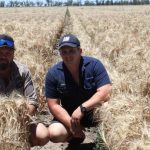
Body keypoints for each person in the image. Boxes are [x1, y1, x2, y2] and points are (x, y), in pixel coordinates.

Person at [45, 34, 111, 144]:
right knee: (55, 133)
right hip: (70, 115)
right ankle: (75, 136)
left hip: (94, 111)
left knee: (109, 107)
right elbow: (53, 105)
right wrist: (72, 125)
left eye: (71, 50)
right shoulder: (53, 73)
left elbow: (106, 91)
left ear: (80, 51)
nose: (68, 55)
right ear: (60, 54)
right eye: (64, 52)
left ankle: (108, 141)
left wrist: (82, 108)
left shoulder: (94, 65)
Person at [0, 34, 49, 147]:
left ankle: (21, 146)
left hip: (21, 119)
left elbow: (32, 101)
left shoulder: (22, 71)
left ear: (13, 54)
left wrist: (18, 121)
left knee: (42, 135)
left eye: (8, 53)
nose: (3, 56)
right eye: (0, 52)